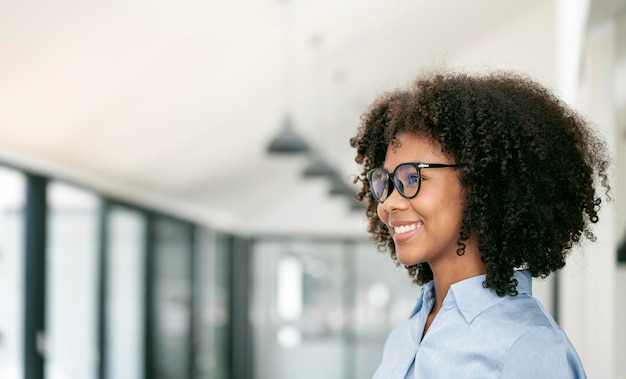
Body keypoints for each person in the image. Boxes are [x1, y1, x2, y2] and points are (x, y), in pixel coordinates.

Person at [350, 70, 610, 378]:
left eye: (412, 178)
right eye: (388, 182)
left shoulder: (528, 347)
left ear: (480, 183)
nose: (388, 203)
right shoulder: (403, 337)